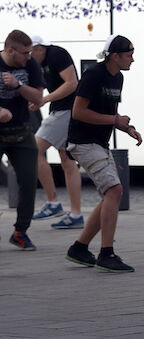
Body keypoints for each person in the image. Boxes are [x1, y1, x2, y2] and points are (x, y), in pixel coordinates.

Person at [64, 35, 142, 272]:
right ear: (115, 56)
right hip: (83, 142)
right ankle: (106, 253)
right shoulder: (93, 75)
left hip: (98, 142)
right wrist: (115, 119)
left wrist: (126, 127)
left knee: (110, 194)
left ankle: (79, 248)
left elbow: (112, 112)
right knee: (114, 190)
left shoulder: (118, 77)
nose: (133, 59)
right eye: (129, 54)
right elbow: (78, 112)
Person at [29, 35, 84, 229]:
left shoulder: (57, 54)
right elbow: (41, 85)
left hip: (65, 111)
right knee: (67, 161)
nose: (29, 56)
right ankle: (76, 214)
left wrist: (44, 99)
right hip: (62, 111)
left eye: (30, 52)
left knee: (33, 149)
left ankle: (53, 203)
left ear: (40, 48)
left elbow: (72, 83)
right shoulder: (39, 62)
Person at [0, 30, 44, 250]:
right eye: (25, 52)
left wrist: (18, 85)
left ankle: (20, 232)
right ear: (10, 50)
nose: (30, 56)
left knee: (28, 182)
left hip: (21, 131)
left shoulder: (30, 65)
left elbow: (38, 97)